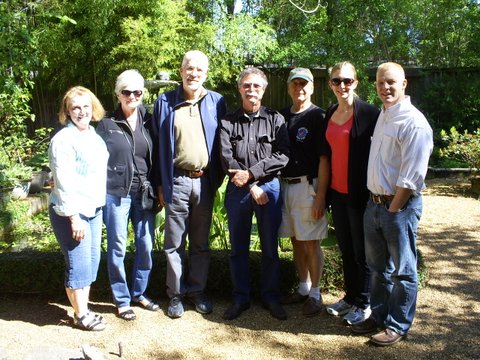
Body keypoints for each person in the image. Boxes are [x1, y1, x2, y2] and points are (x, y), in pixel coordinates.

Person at [351, 62, 433, 346]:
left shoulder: (414, 122)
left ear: (404, 84)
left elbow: (411, 178)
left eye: (391, 82)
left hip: (398, 207)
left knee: (403, 270)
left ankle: (398, 325)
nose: (385, 87)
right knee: (377, 269)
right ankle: (380, 316)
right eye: (380, 82)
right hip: (373, 205)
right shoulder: (383, 116)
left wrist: (393, 209)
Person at [151, 50, 227, 319]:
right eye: (189, 68)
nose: (194, 74)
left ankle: (197, 291)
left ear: (206, 74)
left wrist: (216, 179)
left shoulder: (217, 101)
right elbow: (157, 146)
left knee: (200, 243)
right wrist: (160, 183)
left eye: (199, 70)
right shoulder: (165, 102)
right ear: (181, 71)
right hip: (177, 181)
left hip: (205, 182)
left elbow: (223, 144)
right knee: (173, 243)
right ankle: (175, 295)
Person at [220, 67, 290, 321]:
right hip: (239, 189)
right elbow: (226, 158)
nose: (251, 90)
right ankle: (240, 297)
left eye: (256, 86)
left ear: (264, 89)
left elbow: (282, 155)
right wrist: (249, 184)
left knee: (270, 247)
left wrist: (252, 175)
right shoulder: (227, 121)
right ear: (240, 88)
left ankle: (271, 296)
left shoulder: (276, 119)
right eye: (246, 85)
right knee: (238, 247)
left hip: (269, 188)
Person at [317, 62, 380, 325]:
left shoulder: (369, 113)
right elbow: (326, 157)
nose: (341, 86)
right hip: (337, 194)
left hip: (358, 195)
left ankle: (364, 302)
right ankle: (350, 296)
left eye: (347, 80)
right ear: (330, 84)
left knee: (360, 252)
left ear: (356, 82)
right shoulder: (330, 112)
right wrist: (322, 195)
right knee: (345, 248)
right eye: (336, 81)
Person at [96, 70, 158, 321]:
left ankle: (139, 293)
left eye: (137, 92)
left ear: (143, 94)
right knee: (117, 247)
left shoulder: (150, 120)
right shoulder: (106, 123)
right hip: (116, 194)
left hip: (145, 193)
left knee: (145, 245)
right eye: (126, 92)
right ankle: (121, 300)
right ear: (117, 94)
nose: (132, 96)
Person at [48, 86, 109, 331]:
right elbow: (62, 183)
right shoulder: (63, 139)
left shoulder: (93, 135)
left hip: (93, 208)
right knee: (78, 264)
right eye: (75, 108)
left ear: (92, 107)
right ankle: (81, 314)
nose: (81, 112)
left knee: (91, 262)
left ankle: (83, 308)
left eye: (85, 106)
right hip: (71, 212)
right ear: (67, 111)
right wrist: (74, 218)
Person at [278, 68, 328, 317]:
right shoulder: (282, 116)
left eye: (304, 84)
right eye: (295, 84)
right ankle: (303, 288)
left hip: (308, 186)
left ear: (312, 87)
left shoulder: (318, 116)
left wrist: (320, 196)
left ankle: (316, 294)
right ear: (289, 87)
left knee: (310, 242)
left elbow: (324, 159)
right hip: (285, 186)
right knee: (296, 240)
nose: (299, 88)